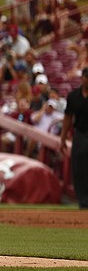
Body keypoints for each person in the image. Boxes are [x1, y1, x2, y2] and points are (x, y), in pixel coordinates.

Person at [60, 68, 88, 209]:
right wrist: (63, 138)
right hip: (80, 133)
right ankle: (83, 202)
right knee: (78, 168)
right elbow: (68, 118)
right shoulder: (73, 96)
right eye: (86, 77)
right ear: (82, 78)